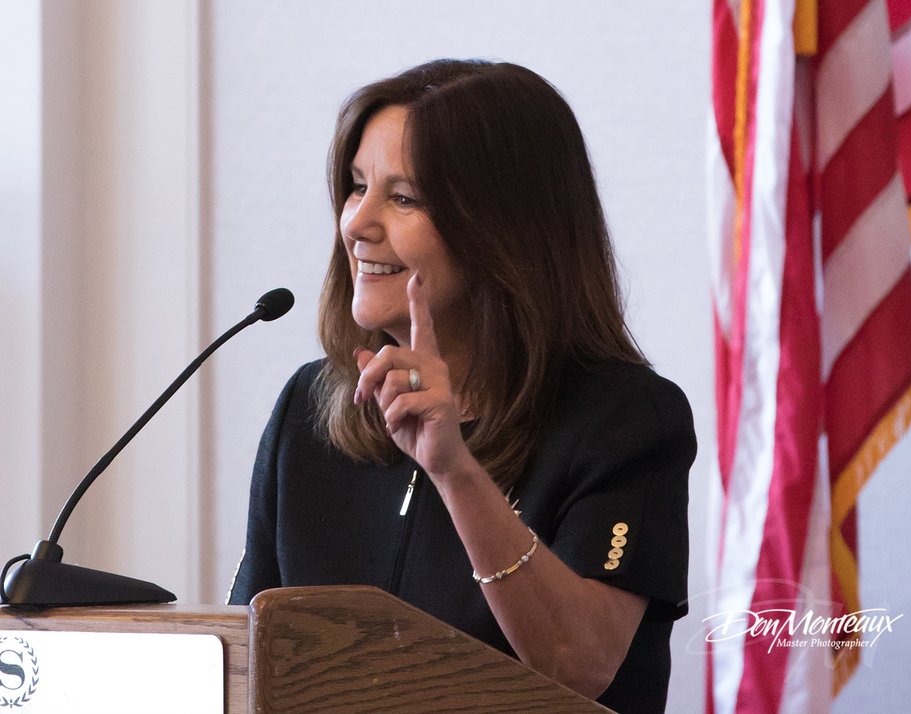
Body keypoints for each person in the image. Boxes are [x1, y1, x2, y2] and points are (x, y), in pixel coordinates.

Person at [229, 59, 696, 713]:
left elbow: (580, 664)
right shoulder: (308, 411)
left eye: (403, 197)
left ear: (504, 230)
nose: (357, 223)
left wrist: (455, 470)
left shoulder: (626, 420)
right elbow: (248, 661)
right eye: (357, 186)